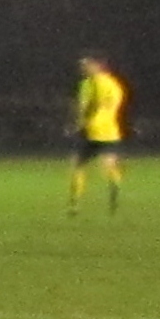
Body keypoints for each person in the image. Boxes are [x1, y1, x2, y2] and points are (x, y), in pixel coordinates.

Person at [68, 56, 128, 215]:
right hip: (111, 131)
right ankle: (114, 194)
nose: (82, 69)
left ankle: (75, 204)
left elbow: (87, 106)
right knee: (109, 164)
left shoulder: (89, 83)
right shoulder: (114, 84)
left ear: (97, 65)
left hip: (91, 130)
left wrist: (79, 124)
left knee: (78, 165)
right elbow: (116, 104)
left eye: (86, 65)